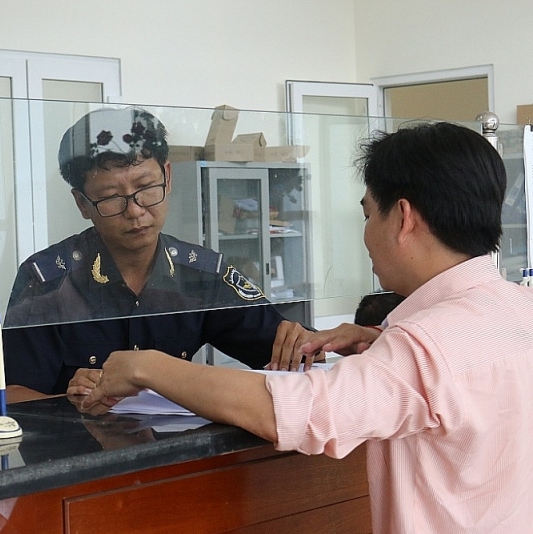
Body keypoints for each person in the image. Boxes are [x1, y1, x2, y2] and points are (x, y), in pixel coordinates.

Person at [84, 121, 533, 533]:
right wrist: (379, 341)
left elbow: (300, 410)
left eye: (368, 213)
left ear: (403, 218)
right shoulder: (517, 307)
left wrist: (147, 368)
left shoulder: (426, 346)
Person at [0, 107, 318, 403]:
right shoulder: (48, 279)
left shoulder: (202, 272)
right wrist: (70, 400)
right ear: (82, 203)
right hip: (80, 455)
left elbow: (286, 353)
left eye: (147, 188)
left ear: (168, 175)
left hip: (175, 453)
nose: (135, 212)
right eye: (111, 197)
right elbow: (10, 394)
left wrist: (340, 338)